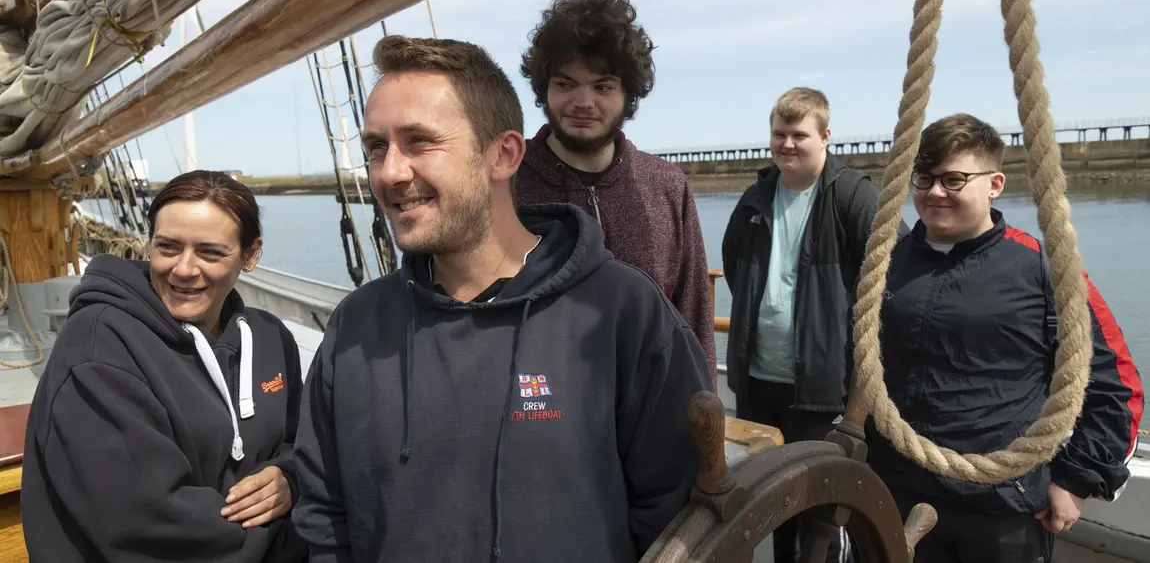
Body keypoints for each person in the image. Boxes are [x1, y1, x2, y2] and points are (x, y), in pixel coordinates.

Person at [290, 35, 711, 562]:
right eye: (377, 147)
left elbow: (678, 518)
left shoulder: (624, 314)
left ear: (504, 155)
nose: (390, 172)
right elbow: (326, 515)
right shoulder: (355, 328)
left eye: (419, 141)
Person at [867, 113, 1144, 562]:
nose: (935, 192)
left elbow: (1115, 387)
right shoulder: (884, 266)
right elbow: (859, 372)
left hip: (1003, 508)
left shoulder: (1044, 272)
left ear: (994, 184)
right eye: (924, 178)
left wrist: (1077, 480)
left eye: (954, 179)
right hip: (894, 491)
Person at [21, 170, 308, 562]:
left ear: (251, 254)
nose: (185, 269)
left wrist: (291, 478)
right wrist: (294, 537)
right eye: (168, 247)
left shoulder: (272, 339)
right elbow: (146, 525)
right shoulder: (98, 347)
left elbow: (301, 446)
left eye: (210, 252)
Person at [721, 87, 900, 563]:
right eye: (779, 134)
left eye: (799, 134)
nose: (787, 144)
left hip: (823, 389)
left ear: (825, 135)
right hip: (759, 382)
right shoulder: (757, 196)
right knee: (770, 501)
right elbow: (735, 264)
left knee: (822, 510)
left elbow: (893, 266)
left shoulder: (852, 195)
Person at [513, 0, 717, 387]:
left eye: (603, 86)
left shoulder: (667, 187)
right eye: (566, 84)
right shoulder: (506, 185)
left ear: (627, 94)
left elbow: (693, 317)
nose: (583, 101)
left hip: (652, 409)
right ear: (544, 89)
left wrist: (702, 416)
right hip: (540, 413)